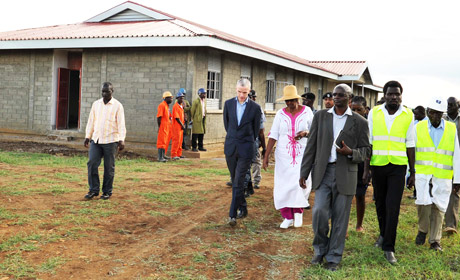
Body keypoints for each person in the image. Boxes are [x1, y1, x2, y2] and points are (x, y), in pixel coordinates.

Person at [299, 84, 369, 271]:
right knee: (319, 212)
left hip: (346, 173)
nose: (336, 98)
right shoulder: (321, 116)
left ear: (349, 97)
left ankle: (334, 257)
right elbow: (311, 146)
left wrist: (351, 152)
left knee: (340, 218)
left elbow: (366, 151)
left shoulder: (360, 122)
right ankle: (320, 250)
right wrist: (304, 172)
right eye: (335, 95)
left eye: (341, 95)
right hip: (323, 172)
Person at [364, 80, 415, 265]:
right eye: (390, 94)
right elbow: (369, 141)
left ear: (401, 95)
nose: (394, 97)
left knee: (393, 206)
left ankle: (389, 247)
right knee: (380, 205)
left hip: (398, 166)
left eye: (397, 94)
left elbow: (410, 144)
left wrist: (413, 172)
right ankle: (383, 234)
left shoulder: (408, 114)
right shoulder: (374, 113)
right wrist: (366, 168)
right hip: (378, 165)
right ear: (384, 95)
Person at [263, 85, 314, 229]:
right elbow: (273, 135)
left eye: (292, 100)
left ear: (297, 99)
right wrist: (266, 156)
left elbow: (315, 131)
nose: (290, 103)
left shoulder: (307, 112)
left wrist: (305, 133)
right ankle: (287, 216)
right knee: (283, 184)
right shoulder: (280, 114)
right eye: (287, 101)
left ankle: (298, 212)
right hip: (283, 156)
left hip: (302, 154)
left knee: (300, 182)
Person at [414, 96, 460, 251]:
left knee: (439, 207)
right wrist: (410, 174)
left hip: (442, 175)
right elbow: (412, 151)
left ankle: (435, 240)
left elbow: (457, 155)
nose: (436, 117)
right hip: (423, 174)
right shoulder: (418, 127)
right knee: (423, 204)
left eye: (439, 113)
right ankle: (422, 229)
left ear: (443, 114)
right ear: (428, 112)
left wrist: (457, 179)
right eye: (433, 113)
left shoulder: (451, 129)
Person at [223, 78, 261, 227]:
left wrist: (246, 142)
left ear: (249, 91)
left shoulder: (255, 108)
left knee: (238, 181)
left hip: (246, 149)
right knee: (235, 179)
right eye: (239, 92)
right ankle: (243, 207)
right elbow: (228, 126)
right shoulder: (228, 104)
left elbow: (256, 130)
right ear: (236, 89)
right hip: (231, 148)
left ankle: (232, 214)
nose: (242, 95)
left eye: (245, 92)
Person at [84, 82, 126, 200]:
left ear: (112, 91)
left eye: (107, 91)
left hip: (111, 140)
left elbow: (121, 124)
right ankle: (93, 190)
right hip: (96, 140)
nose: (104, 94)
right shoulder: (96, 104)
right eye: (103, 91)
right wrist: (88, 136)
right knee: (92, 163)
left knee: (109, 167)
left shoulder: (118, 106)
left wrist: (121, 139)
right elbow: (91, 121)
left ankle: (107, 191)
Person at [350, 96, 369, 232]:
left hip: (362, 165)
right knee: (344, 196)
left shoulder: (367, 125)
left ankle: (359, 224)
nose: (356, 112)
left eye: (359, 110)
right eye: (353, 109)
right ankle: (343, 224)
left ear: (365, 110)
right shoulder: (346, 124)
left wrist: (367, 170)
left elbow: (369, 149)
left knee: (360, 195)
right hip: (348, 163)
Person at [444, 97, 460, 234]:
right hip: (444, 159)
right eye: (447, 104)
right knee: (445, 190)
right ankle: (447, 223)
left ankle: (451, 224)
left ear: (458, 106)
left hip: (458, 160)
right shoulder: (442, 119)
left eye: (451, 104)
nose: (448, 107)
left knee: (455, 191)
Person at [409, 106, 428, 199]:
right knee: (417, 173)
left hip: (425, 154)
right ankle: (416, 193)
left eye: (416, 114)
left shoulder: (428, 123)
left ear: (423, 113)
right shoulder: (415, 123)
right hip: (416, 153)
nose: (415, 115)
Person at [249, 89, 266, 190]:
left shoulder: (257, 109)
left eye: (254, 97)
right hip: (248, 140)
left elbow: (261, 130)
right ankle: (253, 181)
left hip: (253, 140)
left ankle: (256, 181)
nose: (254, 98)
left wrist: (264, 146)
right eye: (253, 97)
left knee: (255, 161)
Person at [157, 91, 173, 162]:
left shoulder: (167, 106)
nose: (171, 99)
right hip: (163, 127)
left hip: (167, 127)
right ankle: (160, 157)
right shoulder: (162, 105)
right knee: (161, 142)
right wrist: (160, 127)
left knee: (165, 141)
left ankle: (163, 155)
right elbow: (159, 117)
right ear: (165, 98)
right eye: (170, 98)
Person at [171, 91, 186, 160]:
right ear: (177, 98)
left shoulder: (181, 106)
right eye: (180, 98)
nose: (182, 99)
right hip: (176, 127)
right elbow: (177, 117)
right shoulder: (175, 106)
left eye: (182, 98)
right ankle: (174, 155)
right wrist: (182, 125)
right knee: (176, 141)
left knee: (180, 141)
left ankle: (179, 154)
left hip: (181, 127)